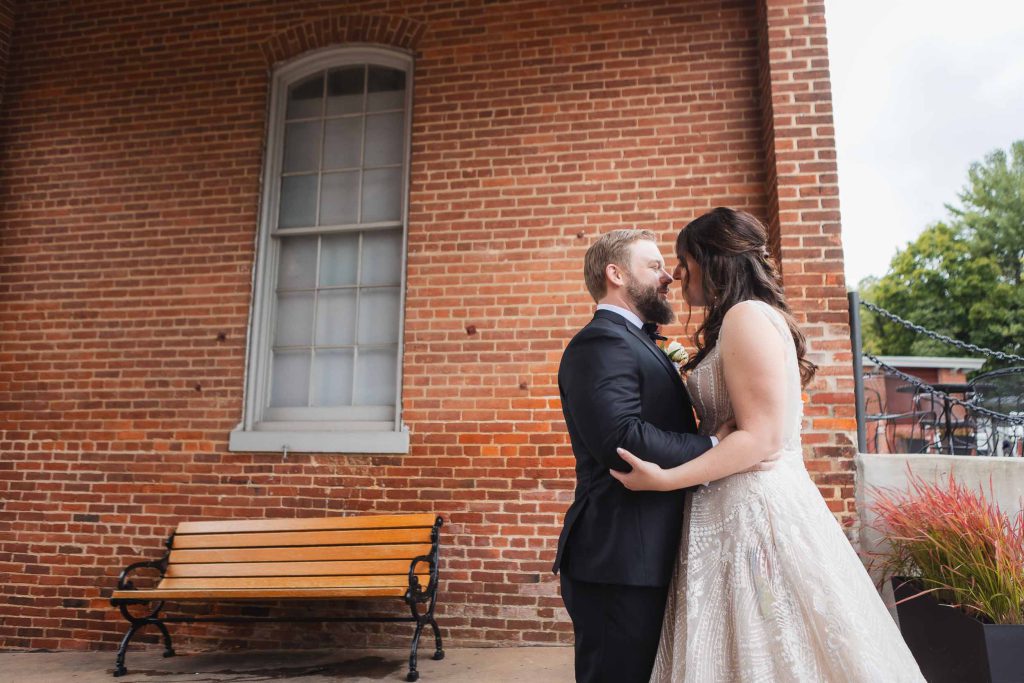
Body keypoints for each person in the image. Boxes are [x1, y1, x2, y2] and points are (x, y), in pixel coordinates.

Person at [611, 208, 924, 682]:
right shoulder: (743, 318)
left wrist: (665, 480)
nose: (676, 274)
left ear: (713, 260)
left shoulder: (746, 317)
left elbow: (760, 439)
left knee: (776, 638)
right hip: (731, 507)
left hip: (755, 512)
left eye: (683, 259)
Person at [552, 228, 734, 683]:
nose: (668, 276)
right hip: (618, 560)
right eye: (653, 266)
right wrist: (716, 447)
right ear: (615, 274)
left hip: (642, 554)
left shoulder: (635, 340)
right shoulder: (601, 342)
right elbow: (622, 436)